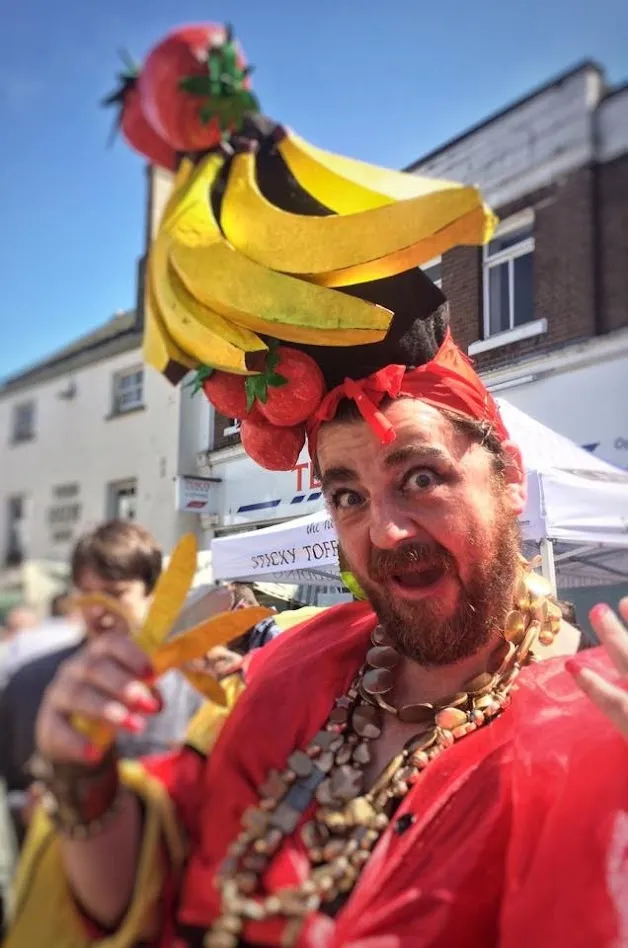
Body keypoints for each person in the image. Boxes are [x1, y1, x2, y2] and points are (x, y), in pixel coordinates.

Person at [8, 23, 628, 947]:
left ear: (508, 479)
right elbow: (151, 879)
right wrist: (83, 776)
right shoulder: (292, 668)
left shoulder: (590, 725)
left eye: (419, 475)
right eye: (344, 493)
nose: (381, 530)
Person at [0, 520, 202, 849]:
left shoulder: (190, 687)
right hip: (53, 876)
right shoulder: (29, 682)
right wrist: (28, 805)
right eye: (87, 595)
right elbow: (11, 784)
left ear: (153, 593)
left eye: (114, 594)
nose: (98, 611)